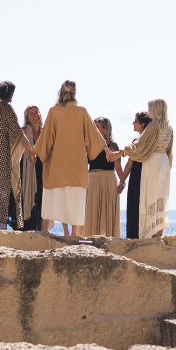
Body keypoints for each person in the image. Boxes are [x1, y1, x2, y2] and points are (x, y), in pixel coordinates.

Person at [34, 80, 107, 236]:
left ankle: (66, 231)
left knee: (61, 196)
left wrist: (36, 152)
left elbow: (46, 136)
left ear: (61, 92)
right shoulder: (82, 111)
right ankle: (74, 232)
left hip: (58, 161)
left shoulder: (54, 111)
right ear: (75, 92)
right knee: (75, 198)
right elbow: (94, 136)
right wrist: (105, 149)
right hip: (77, 162)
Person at [107, 99, 173, 238]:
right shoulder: (168, 126)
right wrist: (169, 165)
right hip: (164, 163)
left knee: (148, 196)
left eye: (150, 108)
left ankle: (148, 232)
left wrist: (120, 153)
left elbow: (140, 144)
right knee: (159, 195)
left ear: (155, 108)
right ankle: (158, 231)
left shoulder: (154, 125)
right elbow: (169, 149)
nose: (148, 111)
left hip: (153, 161)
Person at [0, 81, 35, 230]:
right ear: (9, 94)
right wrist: (30, 150)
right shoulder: (7, 109)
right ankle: (0, 228)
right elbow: (18, 134)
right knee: (3, 194)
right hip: (3, 159)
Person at [8, 105, 53, 232]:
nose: (35, 115)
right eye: (31, 113)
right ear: (27, 118)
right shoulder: (23, 131)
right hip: (27, 172)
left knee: (41, 205)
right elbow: (14, 152)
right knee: (29, 204)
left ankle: (40, 236)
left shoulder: (46, 133)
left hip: (43, 171)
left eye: (36, 112)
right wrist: (29, 155)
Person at [81, 117, 123, 237]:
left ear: (105, 129)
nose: (94, 129)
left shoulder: (112, 145)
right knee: (91, 212)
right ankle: (90, 239)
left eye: (97, 126)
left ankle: (109, 239)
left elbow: (118, 166)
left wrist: (122, 182)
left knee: (107, 211)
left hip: (108, 180)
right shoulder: (88, 144)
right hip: (92, 180)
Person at [119, 112, 152, 239]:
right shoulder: (135, 142)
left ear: (143, 124)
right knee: (133, 207)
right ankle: (133, 238)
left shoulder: (150, 143)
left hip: (146, 178)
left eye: (136, 121)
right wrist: (121, 181)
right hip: (135, 178)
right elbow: (129, 164)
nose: (133, 123)